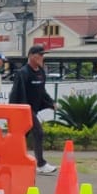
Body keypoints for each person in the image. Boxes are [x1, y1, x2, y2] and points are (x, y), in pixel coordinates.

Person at [10, 45, 58, 174]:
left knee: (20, 136)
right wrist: (13, 110)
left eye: (43, 55)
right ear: (31, 55)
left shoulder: (41, 72)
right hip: (23, 109)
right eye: (40, 54)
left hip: (34, 108)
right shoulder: (22, 73)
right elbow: (15, 93)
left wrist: (51, 103)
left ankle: (11, 160)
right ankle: (41, 164)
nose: (42, 57)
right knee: (38, 132)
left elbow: (42, 91)